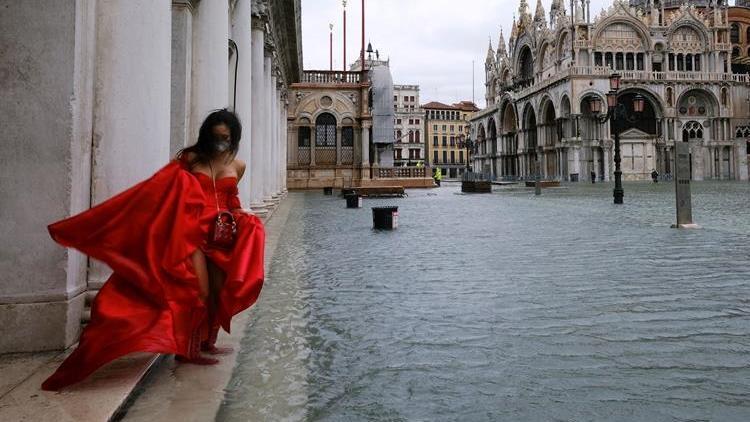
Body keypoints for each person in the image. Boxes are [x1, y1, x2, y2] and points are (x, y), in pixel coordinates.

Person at [41, 109, 265, 391]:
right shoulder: (190, 158)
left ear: (233, 138)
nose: (220, 141)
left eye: (226, 137)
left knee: (218, 293)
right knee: (199, 290)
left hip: (221, 234)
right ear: (206, 134)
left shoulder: (238, 165)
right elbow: (163, 188)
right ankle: (188, 351)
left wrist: (242, 215)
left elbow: (231, 199)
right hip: (190, 232)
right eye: (215, 136)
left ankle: (210, 343)